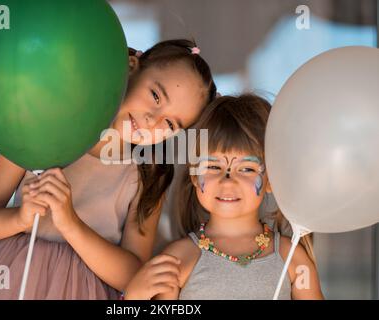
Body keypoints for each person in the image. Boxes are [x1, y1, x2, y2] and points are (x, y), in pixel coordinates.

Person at [0, 39, 216, 299]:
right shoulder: (41, 128)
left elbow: (132, 274)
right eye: (155, 95)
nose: (153, 120)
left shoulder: (149, 177)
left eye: (171, 124)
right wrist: (20, 218)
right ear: (131, 67)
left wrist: (70, 223)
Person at [123, 94, 324, 300]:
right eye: (212, 166)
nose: (227, 181)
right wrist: (134, 296)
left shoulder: (292, 259)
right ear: (194, 174)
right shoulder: (177, 260)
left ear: (271, 180)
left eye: (246, 168)